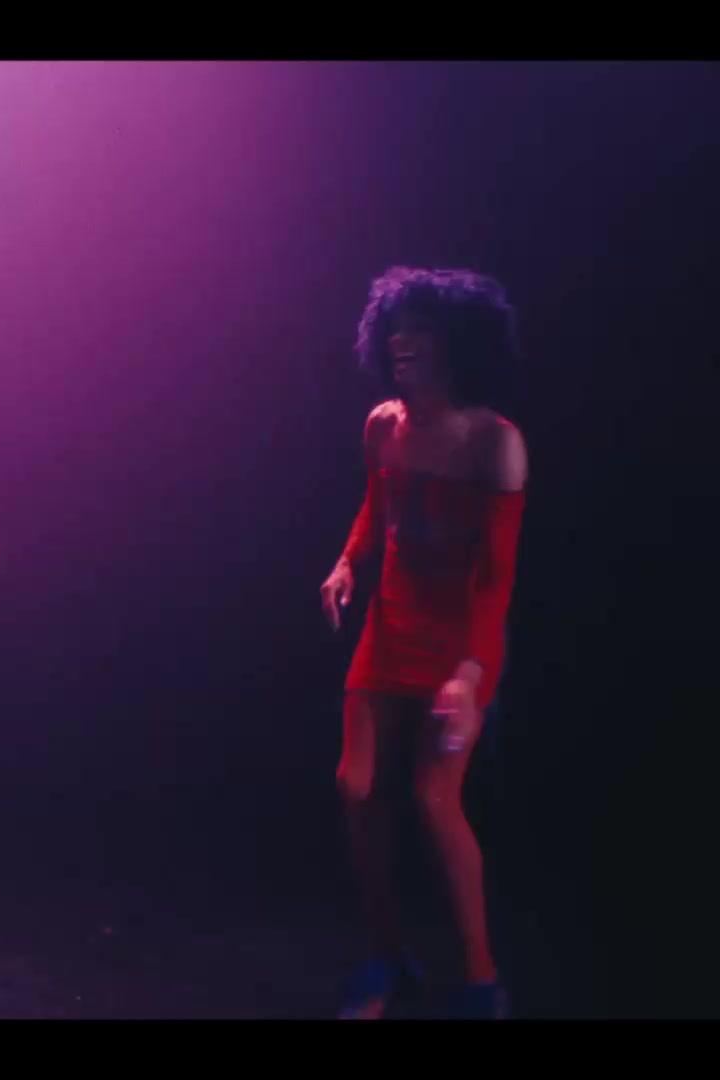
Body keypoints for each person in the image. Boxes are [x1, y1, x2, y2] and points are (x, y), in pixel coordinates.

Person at [320, 266, 526, 1020]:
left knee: (435, 798)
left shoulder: (494, 443)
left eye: (422, 331)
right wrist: (348, 561)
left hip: (462, 642)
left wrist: (467, 677)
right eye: (396, 330)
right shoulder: (383, 425)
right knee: (356, 787)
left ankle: (480, 980)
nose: (403, 343)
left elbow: (495, 580)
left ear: (457, 344)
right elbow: (377, 505)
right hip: (390, 626)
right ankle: (386, 958)